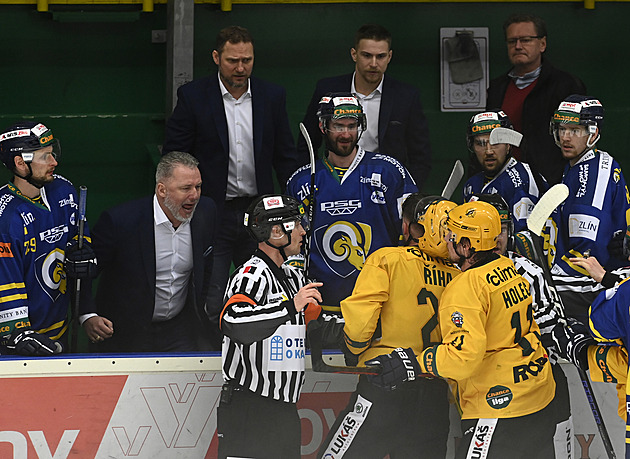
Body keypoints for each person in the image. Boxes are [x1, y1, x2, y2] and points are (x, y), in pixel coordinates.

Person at [372, 201, 557, 458]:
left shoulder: (465, 288)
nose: (446, 241)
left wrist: (414, 363)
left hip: (499, 405)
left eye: (452, 237)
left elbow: (463, 358)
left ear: (466, 246)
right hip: (539, 395)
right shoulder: (509, 268)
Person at [163, 25, 304, 341]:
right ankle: (213, 354)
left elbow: (285, 155)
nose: (240, 68)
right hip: (214, 209)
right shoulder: (194, 97)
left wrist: (292, 205)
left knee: (268, 284)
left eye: (247, 60)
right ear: (216, 57)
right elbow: (176, 155)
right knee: (212, 290)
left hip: (261, 211)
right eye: (232, 60)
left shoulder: (271, 96)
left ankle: (261, 349)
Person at [317, 197, 460, 458]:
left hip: (386, 384)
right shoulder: (459, 275)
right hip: (434, 395)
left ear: (408, 228)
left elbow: (359, 331)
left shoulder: (387, 259)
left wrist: (352, 347)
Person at [286, 93, 417, 316]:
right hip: (321, 308)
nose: (346, 134)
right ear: (323, 126)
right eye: (338, 126)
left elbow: (414, 233)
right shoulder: (300, 181)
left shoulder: (389, 172)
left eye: (352, 126)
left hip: (381, 304)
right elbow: (290, 248)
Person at [218, 194, 323, 458]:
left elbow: (306, 326)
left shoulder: (293, 276)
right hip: (251, 407)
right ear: (276, 231)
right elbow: (233, 322)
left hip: (285, 409)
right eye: (296, 224)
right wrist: (290, 306)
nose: (303, 230)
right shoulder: (251, 275)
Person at [472, 192, 573, 458]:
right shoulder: (460, 276)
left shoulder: (530, 273)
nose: (495, 239)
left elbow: (555, 332)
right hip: (489, 400)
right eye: (485, 230)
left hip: (538, 391)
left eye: (501, 229)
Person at [87, 151, 218, 352]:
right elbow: (87, 271)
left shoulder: (206, 212)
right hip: (127, 332)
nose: (195, 195)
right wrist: (88, 315)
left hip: (180, 329)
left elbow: (207, 265)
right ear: (162, 190)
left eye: (198, 187)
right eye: (186, 188)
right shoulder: (120, 222)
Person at [0, 121, 96, 355]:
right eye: (45, 157)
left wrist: (84, 258)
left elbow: (80, 242)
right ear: (20, 163)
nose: (54, 162)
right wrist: (15, 332)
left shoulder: (63, 190)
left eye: (53, 153)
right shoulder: (6, 217)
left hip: (59, 329)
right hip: (20, 342)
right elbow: (6, 280)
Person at [298, 24, 431, 188]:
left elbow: (421, 156)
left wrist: (406, 193)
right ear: (354, 54)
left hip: (385, 186)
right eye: (367, 56)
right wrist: (312, 183)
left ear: (389, 57)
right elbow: (307, 144)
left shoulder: (406, 96)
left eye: (380, 56)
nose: (374, 63)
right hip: (334, 182)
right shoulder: (328, 90)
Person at [547, 95, 630, 322]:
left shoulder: (590, 174)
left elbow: (586, 253)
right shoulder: (579, 166)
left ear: (592, 133)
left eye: (575, 130)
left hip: (602, 277)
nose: (565, 136)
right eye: (562, 129)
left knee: (533, 293)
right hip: (602, 272)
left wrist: (544, 275)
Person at [486, 13, 586, 186]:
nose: (518, 46)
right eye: (512, 41)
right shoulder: (497, 88)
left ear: (542, 44)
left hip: (551, 185)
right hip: (503, 183)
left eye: (525, 40)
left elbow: (580, 141)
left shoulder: (566, 85)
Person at [462, 110, 546, 232]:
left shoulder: (521, 180)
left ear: (508, 145)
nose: (489, 151)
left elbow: (524, 239)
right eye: (481, 143)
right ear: (472, 147)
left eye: (495, 143)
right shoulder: (471, 184)